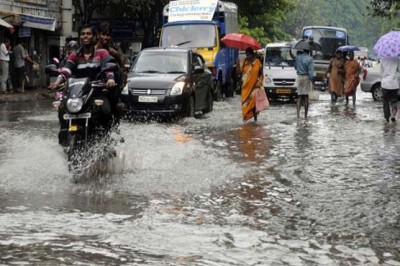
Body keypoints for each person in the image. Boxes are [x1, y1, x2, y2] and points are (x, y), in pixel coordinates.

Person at [48, 24, 118, 146]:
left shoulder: (101, 53)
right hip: (78, 93)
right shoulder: (74, 55)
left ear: (95, 37)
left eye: (89, 34)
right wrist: (57, 82)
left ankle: (105, 137)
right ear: (80, 37)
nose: (85, 36)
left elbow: (108, 69)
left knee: (106, 110)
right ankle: (64, 133)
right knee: (62, 108)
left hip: (96, 92)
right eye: (83, 34)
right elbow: (66, 71)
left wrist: (110, 79)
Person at [95, 22, 126, 120]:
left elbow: (123, 67)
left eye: (108, 35)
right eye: (103, 34)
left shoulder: (115, 50)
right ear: (98, 35)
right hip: (94, 83)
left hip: (111, 84)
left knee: (117, 105)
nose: (105, 37)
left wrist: (122, 82)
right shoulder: (91, 49)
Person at [240, 47, 263, 122]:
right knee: (245, 104)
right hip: (245, 88)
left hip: (254, 87)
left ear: (253, 54)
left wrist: (259, 81)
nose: (248, 56)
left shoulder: (257, 62)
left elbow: (261, 73)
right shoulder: (244, 63)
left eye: (249, 55)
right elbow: (241, 73)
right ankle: (245, 119)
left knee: (254, 104)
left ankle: (255, 120)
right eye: (247, 55)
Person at [294, 49, 314, 118]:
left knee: (299, 97)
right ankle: (305, 115)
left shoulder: (298, 57)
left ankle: (298, 115)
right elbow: (311, 71)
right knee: (306, 97)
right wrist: (312, 80)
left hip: (299, 77)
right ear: (309, 51)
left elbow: (295, 67)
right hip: (306, 77)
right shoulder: (310, 59)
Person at [380, 56, 400, 123]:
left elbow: (381, 72)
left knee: (385, 102)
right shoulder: (397, 59)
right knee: (394, 101)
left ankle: (387, 119)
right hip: (394, 84)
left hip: (385, 83)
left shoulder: (382, 59)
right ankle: (393, 116)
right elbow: (399, 71)